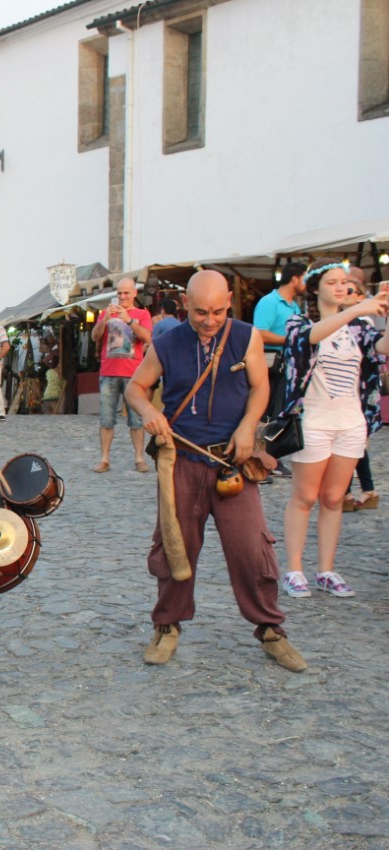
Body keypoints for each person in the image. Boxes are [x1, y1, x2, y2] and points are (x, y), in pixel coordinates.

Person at [125, 271, 306, 672]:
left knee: (251, 549)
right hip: (183, 461)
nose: (210, 320)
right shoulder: (167, 341)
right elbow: (135, 388)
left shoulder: (246, 337)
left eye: (219, 311)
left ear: (229, 302)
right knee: (175, 546)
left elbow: (260, 388)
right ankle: (167, 625)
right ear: (186, 303)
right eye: (201, 312)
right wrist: (150, 411)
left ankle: (270, 629)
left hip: (232, 462)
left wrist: (246, 428)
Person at [277, 260, 389, 599]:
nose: (342, 288)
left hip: (350, 423)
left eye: (345, 283)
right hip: (313, 422)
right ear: (315, 289)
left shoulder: (358, 328)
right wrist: (356, 310)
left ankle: (326, 569)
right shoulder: (300, 323)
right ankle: (293, 569)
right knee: (305, 496)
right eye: (333, 283)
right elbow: (308, 339)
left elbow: (383, 347)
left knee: (333, 497)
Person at [92, 278, 153, 473]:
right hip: (109, 371)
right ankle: (104, 459)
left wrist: (129, 320)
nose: (122, 297)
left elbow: (147, 337)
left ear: (134, 293)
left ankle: (139, 458)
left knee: (136, 419)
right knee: (106, 418)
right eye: (119, 293)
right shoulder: (106, 313)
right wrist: (106, 321)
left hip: (134, 374)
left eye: (126, 293)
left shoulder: (142, 314)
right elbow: (95, 336)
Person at [253, 261, 307, 478]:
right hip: (270, 364)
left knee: (280, 411)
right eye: (304, 278)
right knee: (264, 412)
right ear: (294, 278)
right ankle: (260, 457)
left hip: (288, 366)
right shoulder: (270, 302)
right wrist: (290, 340)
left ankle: (272, 457)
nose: (306, 284)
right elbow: (259, 332)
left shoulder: (294, 305)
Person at [341, 267, 379, 513]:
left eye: (350, 290)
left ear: (359, 298)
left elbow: (375, 352)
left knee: (354, 444)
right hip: (345, 395)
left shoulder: (362, 324)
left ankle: (357, 491)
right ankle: (363, 490)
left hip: (360, 393)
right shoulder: (334, 321)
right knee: (352, 444)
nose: (343, 292)